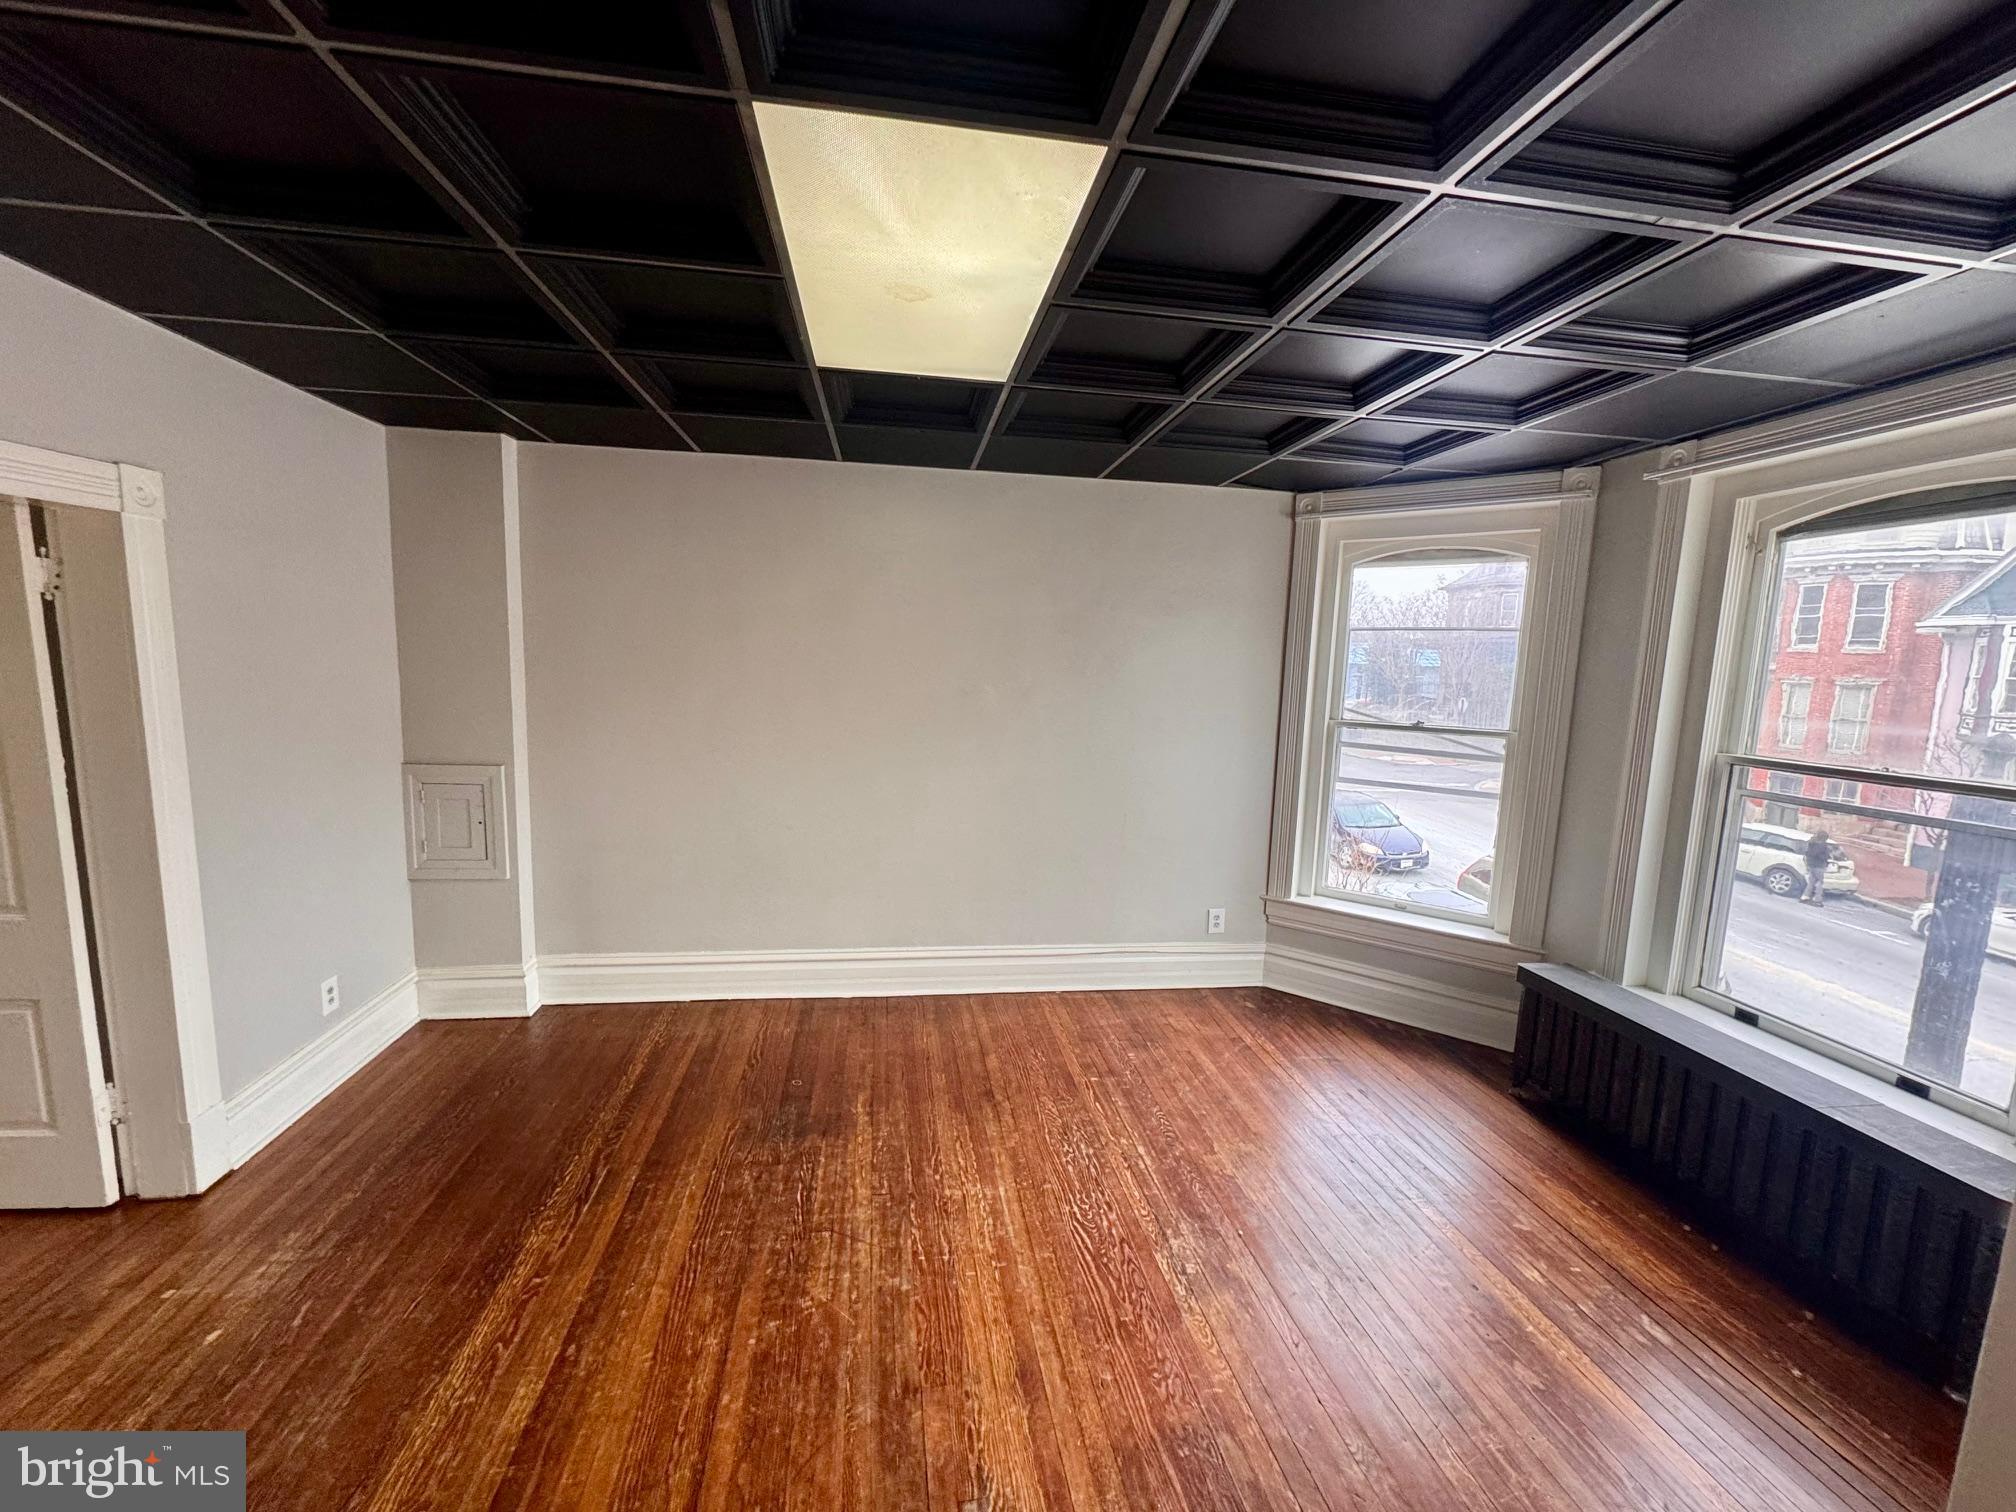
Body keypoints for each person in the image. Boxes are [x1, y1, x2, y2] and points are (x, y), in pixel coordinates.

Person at [1802, 829, 1832, 906]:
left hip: (1811, 865)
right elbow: (1819, 854)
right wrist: (1826, 857)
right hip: (1819, 866)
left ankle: (1805, 897)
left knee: (1811, 882)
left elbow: (1809, 853)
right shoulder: (1822, 845)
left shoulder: (1812, 842)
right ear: (1824, 838)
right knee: (1820, 882)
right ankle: (1817, 899)